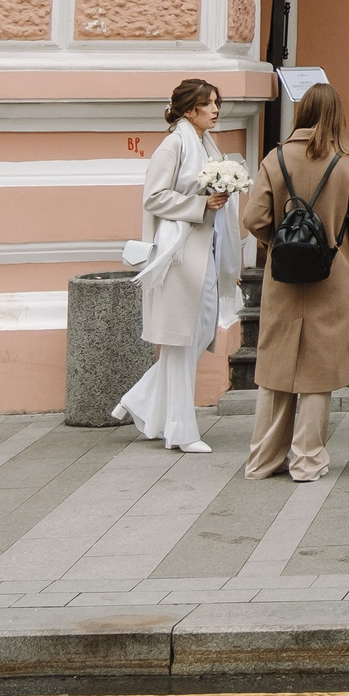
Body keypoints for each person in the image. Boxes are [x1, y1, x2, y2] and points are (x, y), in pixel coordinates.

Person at [240, 83, 349, 482]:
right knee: (318, 370)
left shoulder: (275, 158)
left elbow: (253, 218)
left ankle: (263, 460)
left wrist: (278, 242)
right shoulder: (348, 162)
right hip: (331, 275)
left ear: (302, 112)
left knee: (276, 366)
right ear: (337, 115)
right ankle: (307, 460)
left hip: (282, 277)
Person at [115, 78, 244, 454]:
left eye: (217, 102)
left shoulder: (206, 143)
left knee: (197, 334)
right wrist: (201, 204)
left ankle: (143, 401)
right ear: (189, 110)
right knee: (183, 339)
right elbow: (153, 198)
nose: (215, 110)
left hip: (205, 253)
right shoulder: (174, 145)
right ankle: (180, 430)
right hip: (179, 254)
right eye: (208, 104)